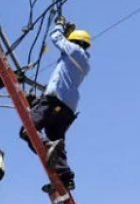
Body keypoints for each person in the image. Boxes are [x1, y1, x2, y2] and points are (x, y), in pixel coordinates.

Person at [20, 15, 91, 191]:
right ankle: (66, 178)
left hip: (55, 100)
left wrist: (59, 26)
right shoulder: (83, 62)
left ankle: (48, 146)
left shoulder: (74, 51)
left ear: (74, 42)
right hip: (67, 109)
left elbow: (56, 38)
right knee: (56, 143)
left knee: (27, 130)